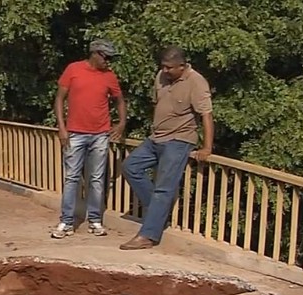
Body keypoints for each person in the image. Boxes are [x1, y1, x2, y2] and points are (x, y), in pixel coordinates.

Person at [120, 46, 214, 250]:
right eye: (162, 66)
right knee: (130, 167)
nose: (165, 71)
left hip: (179, 140)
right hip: (156, 138)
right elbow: (158, 103)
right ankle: (158, 211)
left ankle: (148, 235)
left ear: (182, 66)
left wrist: (207, 147)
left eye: (169, 68)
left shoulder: (196, 81)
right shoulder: (161, 76)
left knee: (163, 188)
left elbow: (206, 114)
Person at [51, 38, 126, 239]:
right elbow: (59, 98)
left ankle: (95, 220)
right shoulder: (73, 70)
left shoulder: (109, 76)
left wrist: (121, 123)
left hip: (100, 133)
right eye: (106, 57)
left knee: (96, 179)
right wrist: (62, 128)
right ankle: (66, 221)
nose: (108, 61)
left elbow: (119, 100)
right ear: (95, 53)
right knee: (72, 178)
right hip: (75, 132)